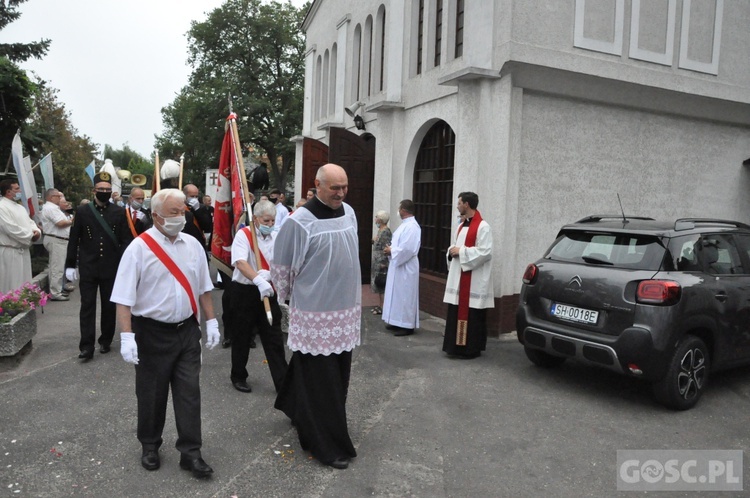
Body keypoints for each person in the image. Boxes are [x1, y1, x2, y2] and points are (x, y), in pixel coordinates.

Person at [111, 188, 219, 478]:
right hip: (151, 332)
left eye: (182, 211)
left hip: (186, 331)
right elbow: (123, 297)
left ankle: (191, 452)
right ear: (156, 215)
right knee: (151, 394)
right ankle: (149, 445)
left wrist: (211, 322)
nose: (180, 216)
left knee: (189, 393)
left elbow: (204, 288)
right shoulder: (139, 248)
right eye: (173, 212)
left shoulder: (194, 244)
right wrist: (127, 336)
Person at [271, 163, 361, 470]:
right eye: (334, 188)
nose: (340, 193)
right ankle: (325, 442)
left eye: (344, 187)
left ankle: (293, 405)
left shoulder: (349, 212)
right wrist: (287, 300)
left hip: (345, 310)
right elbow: (281, 266)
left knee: (336, 374)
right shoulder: (299, 221)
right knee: (324, 383)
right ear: (317, 185)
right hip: (315, 312)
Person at [65, 171, 133, 360]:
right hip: (88, 266)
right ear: (94, 190)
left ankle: (105, 340)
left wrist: (124, 263)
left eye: (108, 189)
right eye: (101, 189)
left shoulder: (119, 212)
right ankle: (86, 346)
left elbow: (125, 240)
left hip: (111, 267)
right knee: (87, 306)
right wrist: (70, 264)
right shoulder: (84, 211)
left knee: (109, 306)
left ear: (111, 192)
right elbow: (74, 238)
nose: (104, 192)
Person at [226, 200, 287, 393]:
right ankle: (238, 375)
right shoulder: (244, 236)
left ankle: (283, 381)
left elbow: (282, 262)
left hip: (268, 290)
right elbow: (240, 262)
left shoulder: (276, 236)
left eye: (272, 221)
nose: (270, 224)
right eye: (266, 220)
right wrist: (257, 280)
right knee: (242, 336)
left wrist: (270, 276)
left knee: (274, 337)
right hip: (245, 291)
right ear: (256, 219)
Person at [442, 192, 494, 359]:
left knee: (472, 315)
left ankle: (470, 349)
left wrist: (461, 252)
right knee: (455, 311)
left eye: (459, 203)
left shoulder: (483, 226)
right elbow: (457, 246)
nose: (457, 205)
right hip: (459, 278)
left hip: (474, 280)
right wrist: (451, 251)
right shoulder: (461, 225)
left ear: (467, 204)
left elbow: (486, 252)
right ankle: (454, 347)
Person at [382, 200, 421, 336]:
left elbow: (408, 249)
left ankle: (407, 325)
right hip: (398, 265)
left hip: (406, 266)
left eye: (399, 208)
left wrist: (392, 251)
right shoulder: (404, 225)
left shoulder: (412, 227)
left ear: (404, 210)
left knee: (405, 295)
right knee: (396, 294)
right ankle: (395, 320)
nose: (398, 210)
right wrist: (391, 249)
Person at [0, 179, 41, 293]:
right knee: (10, 282)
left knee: (24, 281)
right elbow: (10, 228)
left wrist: (36, 231)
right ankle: (10, 306)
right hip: (10, 251)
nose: (20, 190)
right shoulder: (2, 207)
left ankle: (23, 303)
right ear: (8, 192)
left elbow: (30, 223)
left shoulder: (20, 208)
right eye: (17, 188)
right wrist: (30, 235)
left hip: (23, 250)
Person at [40, 188, 73, 301]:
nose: (60, 198)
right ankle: (55, 292)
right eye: (57, 196)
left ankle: (57, 289)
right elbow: (60, 223)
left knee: (56, 266)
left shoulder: (53, 208)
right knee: (57, 267)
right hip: (56, 239)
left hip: (58, 239)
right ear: (51, 197)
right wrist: (73, 220)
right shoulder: (51, 208)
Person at [370, 210, 392, 315]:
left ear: (381, 219)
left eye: (377, 217)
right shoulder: (380, 230)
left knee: (382, 284)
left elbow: (386, 247)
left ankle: (383, 306)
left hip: (381, 262)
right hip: (377, 261)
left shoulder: (386, 232)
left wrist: (384, 263)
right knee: (378, 285)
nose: (375, 219)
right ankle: (380, 305)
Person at [182, 184, 213, 250]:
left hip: (198, 241)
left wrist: (197, 210)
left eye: (196, 196)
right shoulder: (180, 208)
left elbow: (207, 226)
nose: (195, 199)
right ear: (184, 196)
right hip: (186, 242)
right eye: (192, 196)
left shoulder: (201, 207)